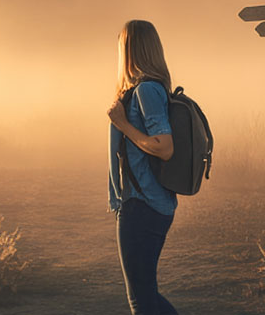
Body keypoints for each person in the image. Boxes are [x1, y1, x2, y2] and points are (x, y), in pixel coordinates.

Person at [107, 19, 178, 315]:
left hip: (143, 204)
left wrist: (122, 124)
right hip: (143, 202)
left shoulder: (147, 90)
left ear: (130, 49)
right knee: (146, 295)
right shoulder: (146, 88)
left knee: (142, 301)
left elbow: (164, 147)